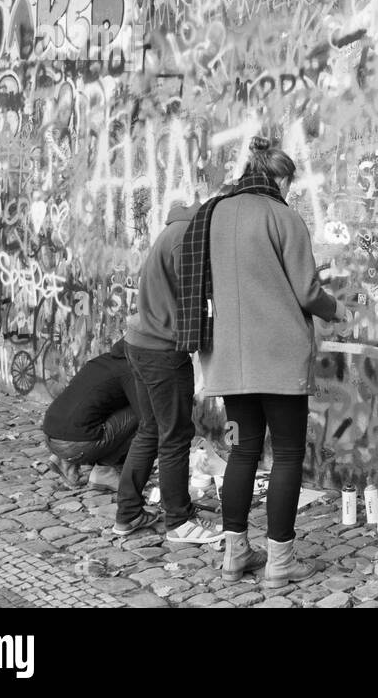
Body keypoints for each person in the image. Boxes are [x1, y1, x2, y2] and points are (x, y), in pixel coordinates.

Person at [194, 138, 347, 586]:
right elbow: (307, 291)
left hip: (232, 359)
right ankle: (280, 562)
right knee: (286, 455)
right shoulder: (283, 216)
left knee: (242, 451)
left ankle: (234, 554)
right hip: (279, 360)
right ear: (280, 178)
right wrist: (335, 309)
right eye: (289, 182)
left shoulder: (216, 213)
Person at [114, 200, 222, 544]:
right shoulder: (184, 241)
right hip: (161, 349)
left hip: (140, 342)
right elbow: (197, 299)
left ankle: (128, 513)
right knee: (175, 435)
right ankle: (179, 521)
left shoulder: (176, 231)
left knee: (150, 429)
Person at [42, 339, 137, 491]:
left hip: (50, 435)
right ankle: (104, 471)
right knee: (144, 414)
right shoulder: (129, 370)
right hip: (72, 444)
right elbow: (148, 417)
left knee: (104, 407)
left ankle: (66, 462)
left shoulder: (101, 361)